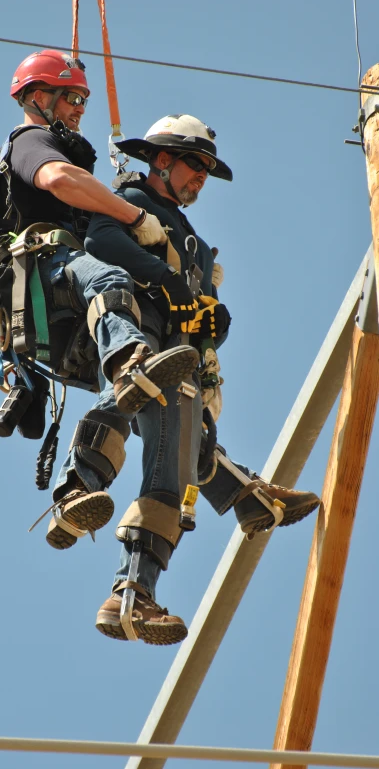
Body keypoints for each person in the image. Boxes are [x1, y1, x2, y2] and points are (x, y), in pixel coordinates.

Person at [49, 114, 321, 646]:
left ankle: (234, 505)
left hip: (180, 354)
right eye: (195, 166)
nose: (201, 179)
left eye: (206, 171)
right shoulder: (132, 202)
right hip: (141, 328)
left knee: (182, 451)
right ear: (163, 161)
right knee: (149, 409)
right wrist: (166, 279)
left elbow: (197, 303)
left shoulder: (192, 239)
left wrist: (212, 321)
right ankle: (90, 511)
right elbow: (102, 242)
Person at [0, 50, 200, 546]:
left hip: (60, 313)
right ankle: (128, 359)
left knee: (158, 408)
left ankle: (75, 496)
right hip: (43, 271)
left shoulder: (64, 145)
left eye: (83, 100)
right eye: (70, 97)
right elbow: (58, 179)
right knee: (110, 285)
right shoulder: (32, 140)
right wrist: (135, 217)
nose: (78, 108)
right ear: (36, 98)